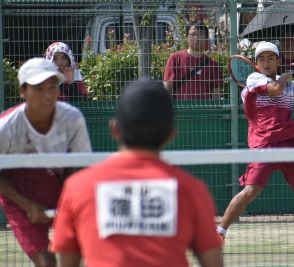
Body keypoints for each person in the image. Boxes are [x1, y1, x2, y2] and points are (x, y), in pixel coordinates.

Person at [50, 79, 224, 267]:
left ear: (115, 129)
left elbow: (67, 261)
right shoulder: (192, 190)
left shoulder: (77, 187)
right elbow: (212, 261)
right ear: (171, 134)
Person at [216, 41, 294, 250]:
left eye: (270, 58)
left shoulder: (289, 85)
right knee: (250, 191)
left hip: (289, 144)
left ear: (277, 61)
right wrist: (286, 76)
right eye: (261, 59)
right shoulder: (254, 79)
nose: (266, 62)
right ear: (255, 64)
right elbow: (274, 89)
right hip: (263, 145)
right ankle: (219, 233)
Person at [0, 58, 92, 267]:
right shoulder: (5, 127)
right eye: (39, 89)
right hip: (18, 199)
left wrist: (68, 202)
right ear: (23, 91)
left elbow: (79, 165)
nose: (48, 95)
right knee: (46, 263)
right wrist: (28, 205)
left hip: (62, 192)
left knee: (81, 256)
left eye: (53, 87)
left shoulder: (73, 119)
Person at [163, 21, 223, 100]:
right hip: (180, 109)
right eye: (193, 34)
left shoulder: (212, 64)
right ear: (186, 37)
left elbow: (216, 94)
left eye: (201, 34)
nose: (197, 37)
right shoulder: (175, 58)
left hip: (205, 110)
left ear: (206, 38)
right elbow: (167, 87)